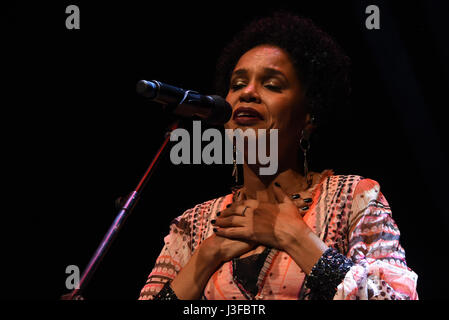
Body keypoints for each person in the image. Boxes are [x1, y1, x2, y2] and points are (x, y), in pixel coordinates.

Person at [138, 12, 418, 300]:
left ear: (308, 117)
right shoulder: (194, 224)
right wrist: (207, 254)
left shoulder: (352, 198)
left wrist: (294, 235)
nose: (247, 93)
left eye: (271, 85)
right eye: (236, 85)